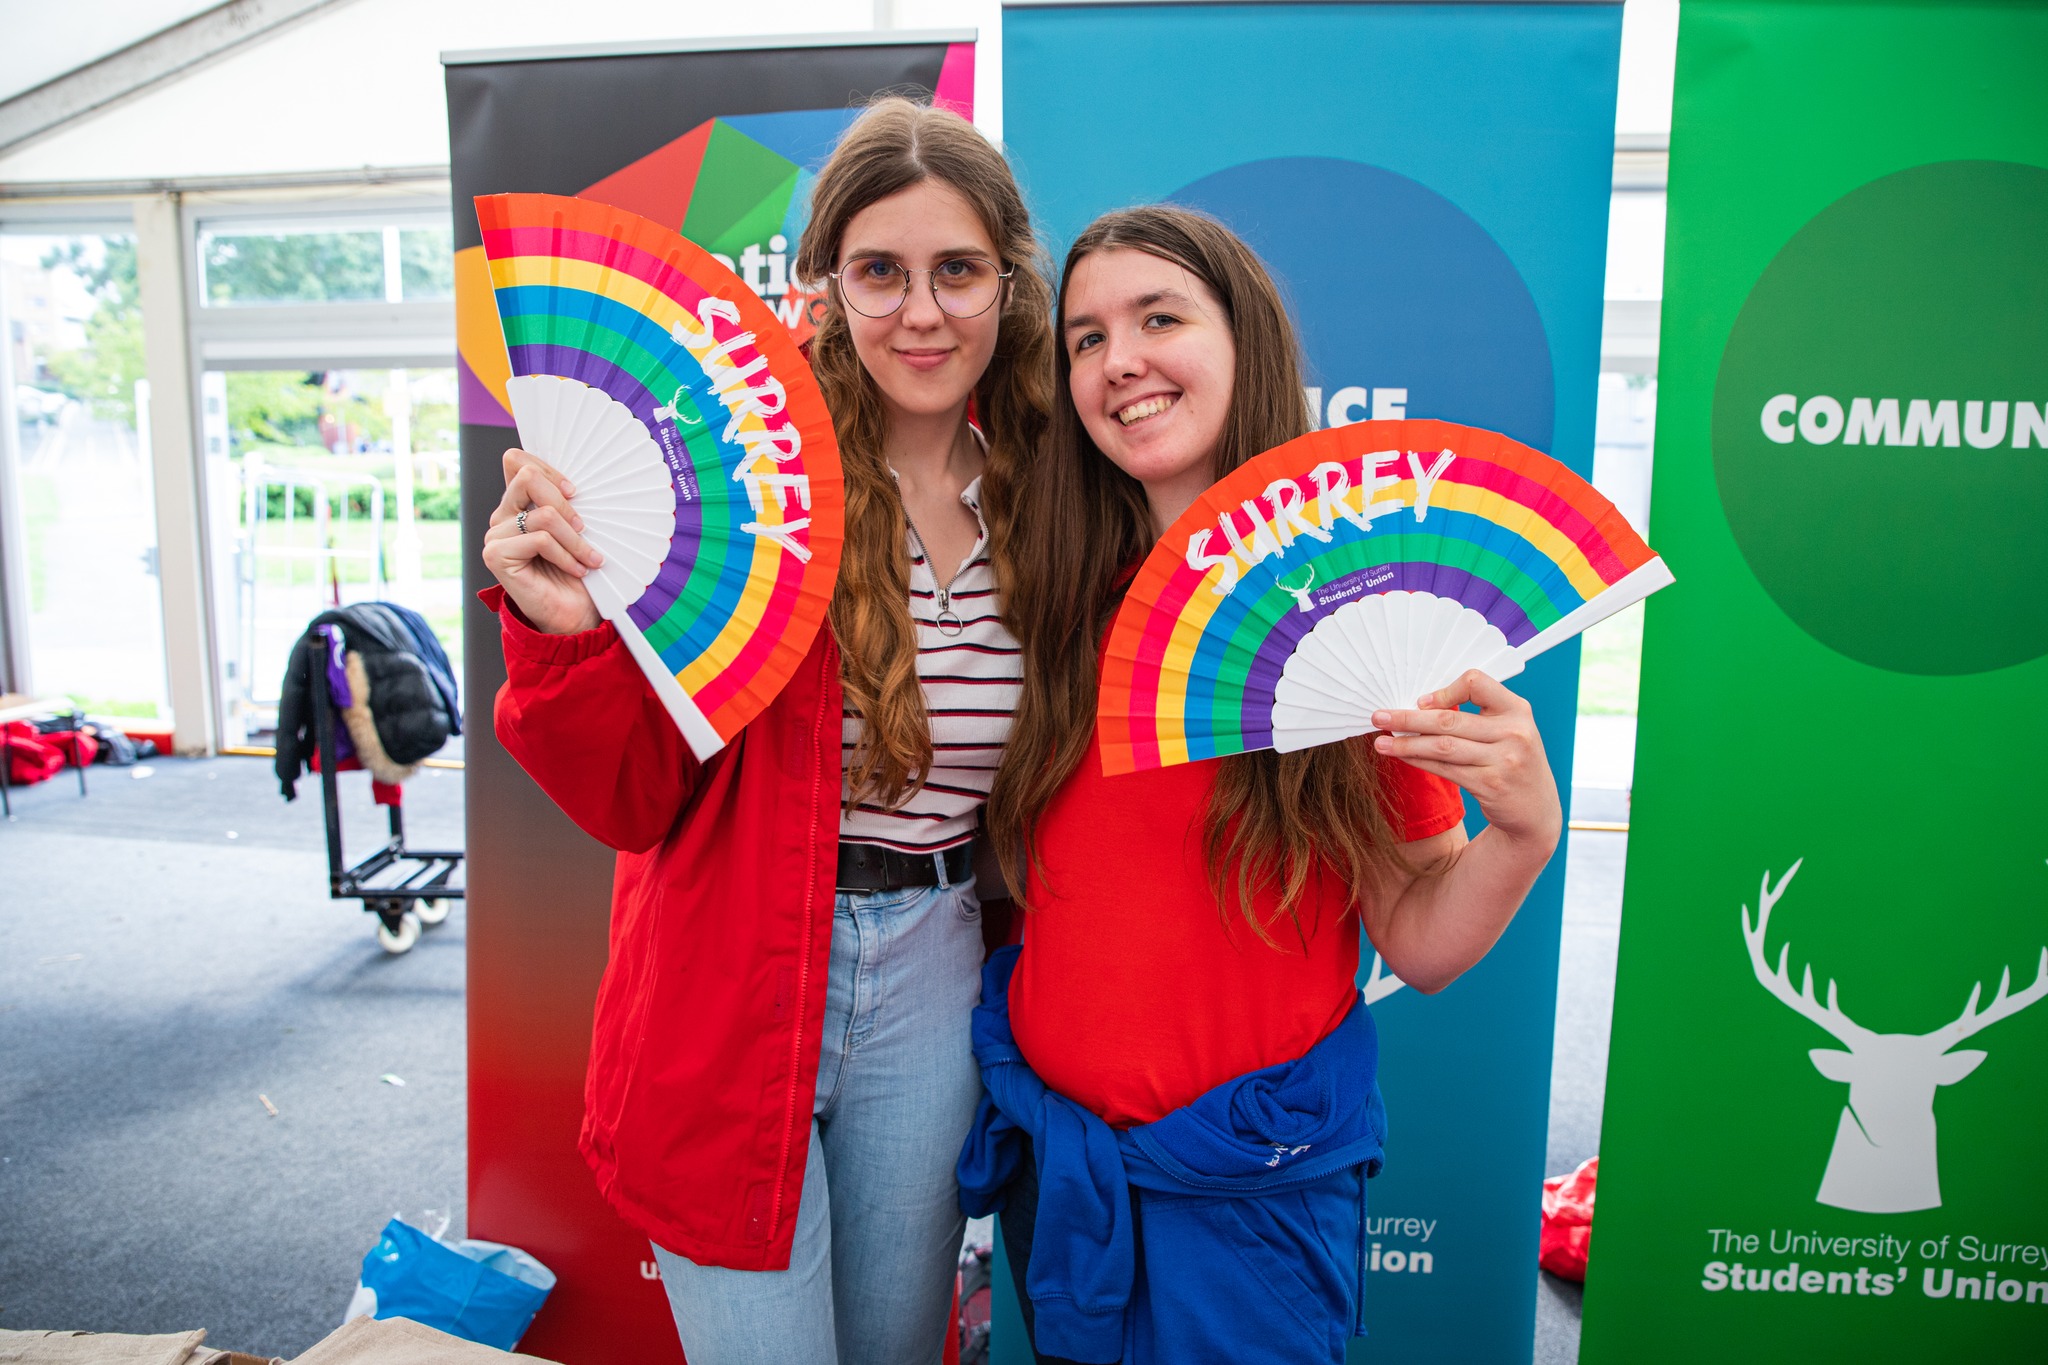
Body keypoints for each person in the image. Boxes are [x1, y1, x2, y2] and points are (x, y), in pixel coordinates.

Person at [479, 98, 1052, 1364]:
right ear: (822, 287)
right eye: (878, 272)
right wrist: (568, 632)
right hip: (731, 969)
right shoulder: (733, 486)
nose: (920, 312)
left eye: (957, 270)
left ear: (1008, 283)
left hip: (940, 963)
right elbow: (626, 798)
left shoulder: (1054, 494)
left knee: (897, 1348)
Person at [966, 206, 1564, 1364]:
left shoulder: (1351, 617)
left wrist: (1521, 834)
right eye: (1084, 338)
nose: (1119, 360)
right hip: (1061, 1172)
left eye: (1158, 317)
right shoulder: (1051, 596)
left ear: (1246, 345)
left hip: (1247, 1198)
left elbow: (1421, 938)